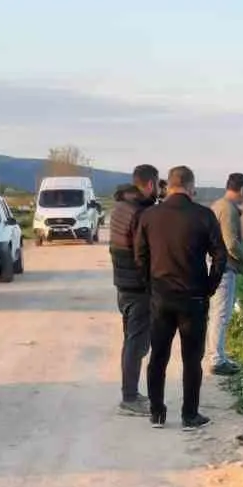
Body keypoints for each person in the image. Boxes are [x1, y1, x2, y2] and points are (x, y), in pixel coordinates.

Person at [135, 165, 227, 429]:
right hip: (194, 298)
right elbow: (220, 256)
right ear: (190, 186)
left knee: (158, 357)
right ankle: (189, 414)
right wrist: (210, 286)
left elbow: (139, 257)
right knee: (191, 360)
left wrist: (149, 285)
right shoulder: (204, 215)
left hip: (161, 297)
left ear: (170, 185)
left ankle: (156, 411)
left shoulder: (150, 216)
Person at [108, 164, 161, 416]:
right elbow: (144, 252)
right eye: (157, 185)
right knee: (136, 342)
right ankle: (129, 398)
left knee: (133, 340)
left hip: (124, 283)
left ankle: (131, 393)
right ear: (150, 184)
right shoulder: (140, 212)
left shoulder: (121, 205)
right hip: (139, 286)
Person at [209, 173, 243, 376]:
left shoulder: (218, 205)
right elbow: (231, 243)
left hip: (215, 265)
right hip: (225, 267)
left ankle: (218, 354)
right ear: (242, 189)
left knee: (217, 313)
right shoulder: (229, 210)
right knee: (221, 314)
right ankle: (217, 359)